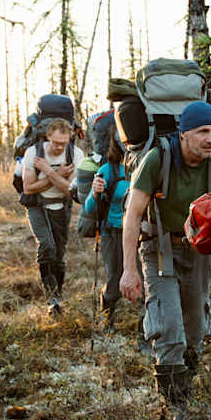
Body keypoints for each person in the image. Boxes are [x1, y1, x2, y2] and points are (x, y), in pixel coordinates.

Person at [121, 101, 211, 420]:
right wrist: (129, 269)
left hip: (200, 252)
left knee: (194, 332)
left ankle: (183, 388)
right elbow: (132, 214)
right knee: (169, 329)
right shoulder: (158, 159)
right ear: (183, 135)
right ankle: (175, 409)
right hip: (160, 249)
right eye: (202, 132)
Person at [21, 118, 85, 316]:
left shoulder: (76, 154)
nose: (59, 147)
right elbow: (28, 188)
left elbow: (72, 193)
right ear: (48, 137)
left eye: (63, 143)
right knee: (47, 246)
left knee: (59, 253)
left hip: (62, 208)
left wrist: (49, 171)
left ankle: (58, 296)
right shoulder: (33, 153)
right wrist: (59, 176)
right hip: (37, 206)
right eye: (56, 143)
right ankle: (51, 297)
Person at [85, 136, 129, 328]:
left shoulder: (145, 164)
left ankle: (145, 327)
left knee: (146, 280)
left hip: (141, 234)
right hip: (112, 233)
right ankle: (106, 319)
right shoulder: (107, 170)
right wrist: (95, 193)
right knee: (114, 278)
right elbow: (89, 208)